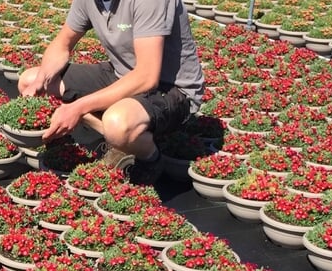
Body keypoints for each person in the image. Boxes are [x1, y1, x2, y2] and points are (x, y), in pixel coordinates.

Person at [17, 0, 204, 185]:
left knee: (117, 122)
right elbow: (62, 45)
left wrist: (78, 108)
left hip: (170, 88)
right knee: (29, 81)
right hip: (122, 74)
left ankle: (149, 157)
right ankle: (119, 140)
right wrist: (41, 80)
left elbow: (147, 76)